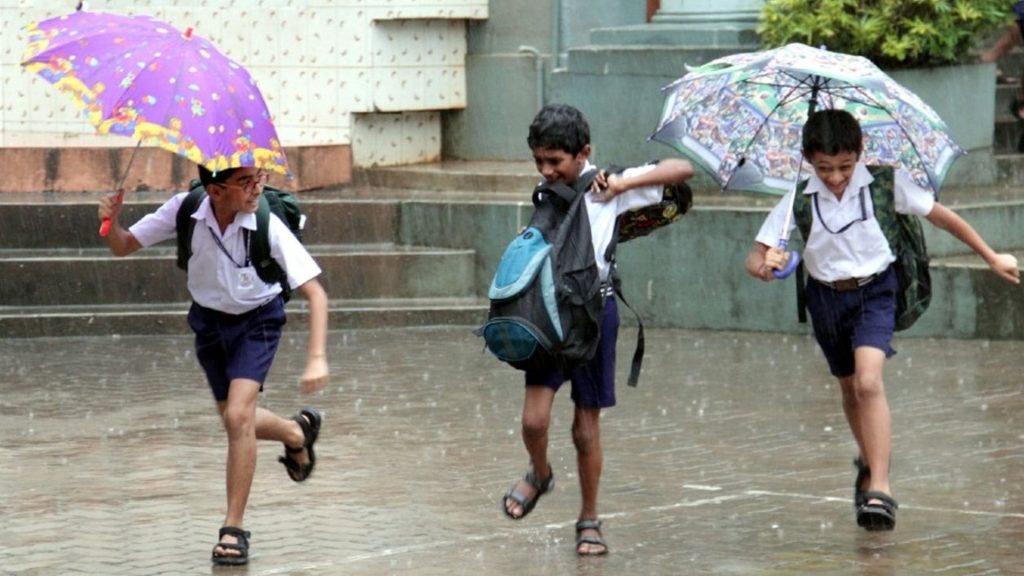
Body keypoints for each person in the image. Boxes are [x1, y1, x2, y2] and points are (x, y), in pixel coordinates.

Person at [744, 109, 1020, 531]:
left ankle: (881, 485)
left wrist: (990, 255)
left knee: (870, 380)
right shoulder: (795, 198)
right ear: (807, 159)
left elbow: (944, 217)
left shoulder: (887, 184)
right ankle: (868, 457)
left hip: (876, 292)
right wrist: (768, 265)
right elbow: (755, 258)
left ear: (859, 154)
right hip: (825, 299)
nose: (835, 177)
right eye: (824, 168)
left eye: (843, 166)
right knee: (850, 387)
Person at [98, 165, 329, 565]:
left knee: (239, 416)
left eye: (259, 177)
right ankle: (296, 432)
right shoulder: (185, 209)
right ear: (215, 191)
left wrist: (316, 358)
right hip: (208, 323)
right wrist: (111, 220)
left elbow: (316, 293)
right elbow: (123, 246)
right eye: (245, 182)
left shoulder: (266, 224)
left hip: (258, 321)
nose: (257, 187)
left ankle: (233, 529)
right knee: (234, 419)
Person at [500, 103, 693, 555]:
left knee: (585, 430)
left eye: (556, 162)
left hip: (594, 317)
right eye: (539, 161)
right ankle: (540, 473)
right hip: (547, 316)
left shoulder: (609, 187)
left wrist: (623, 182)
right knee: (533, 421)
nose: (546, 171)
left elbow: (680, 169)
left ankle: (589, 517)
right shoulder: (547, 191)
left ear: (583, 152)